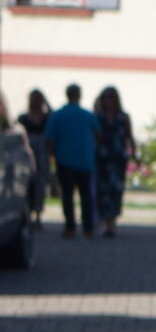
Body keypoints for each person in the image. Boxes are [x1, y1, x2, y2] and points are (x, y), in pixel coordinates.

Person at [45, 83, 98, 239]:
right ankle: (88, 228)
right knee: (86, 196)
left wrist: (54, 153)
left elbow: (49, 139)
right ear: (79, 95)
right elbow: (99, 133)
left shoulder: (58, 115)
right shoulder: (87, 115)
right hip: (85, 160)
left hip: (64, 160)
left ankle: (70, 227)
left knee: (67, 195)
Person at [92, 87, 135, 238]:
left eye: (111, 97)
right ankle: (104, 220)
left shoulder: (123, 117)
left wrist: (133, 155)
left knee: (116, 190)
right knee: (101, 190)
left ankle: (112, 222)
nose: (108, 100)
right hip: (101, 158)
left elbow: (129, 136)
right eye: (105, 97)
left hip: (117, 159)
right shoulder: (98, 116)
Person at [19, 91, 50, 224]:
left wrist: (47, 102)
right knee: (26, 184)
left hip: (42, 155)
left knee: (40, 184)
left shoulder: (47, 117)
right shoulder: (23, 118)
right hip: (27, 154)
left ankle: (38, 215)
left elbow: (53, 116)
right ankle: (28, 214)